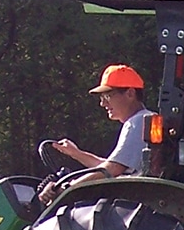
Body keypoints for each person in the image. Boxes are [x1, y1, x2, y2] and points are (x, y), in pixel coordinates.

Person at [40, 65, 153, 203]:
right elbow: (109, 165)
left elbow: (110, 170)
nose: (102, 103)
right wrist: (75, 153)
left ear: (130, 93)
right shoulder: (145, 120)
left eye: (108, 96)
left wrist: (67, 188)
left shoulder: (138, 122)